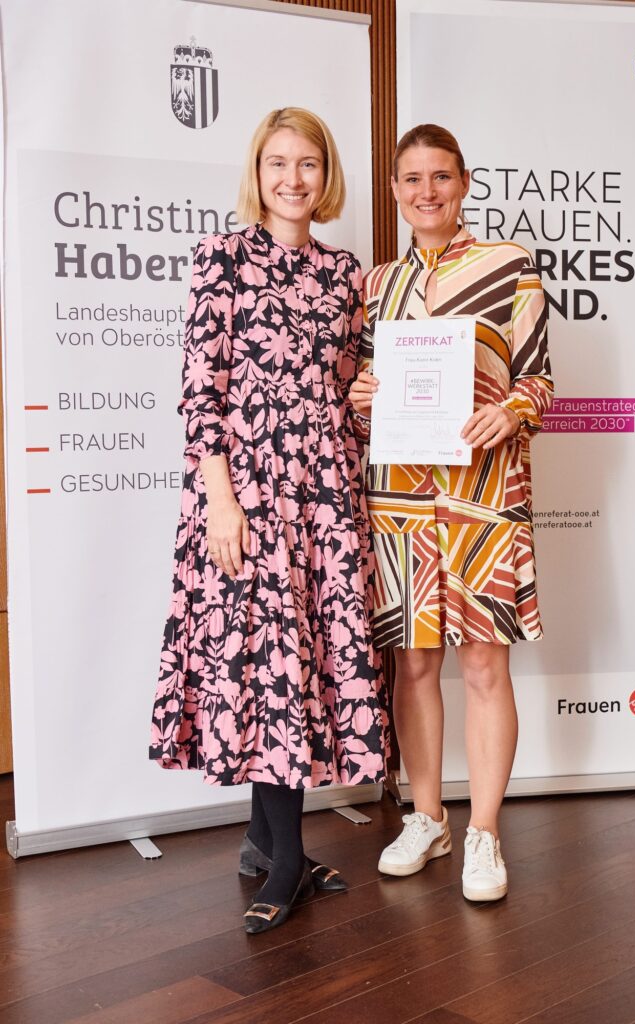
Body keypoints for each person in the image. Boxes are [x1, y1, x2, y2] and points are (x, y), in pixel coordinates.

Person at [150, 107, 387, 933]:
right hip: (246, 494)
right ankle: (285, 860)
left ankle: (262, 841)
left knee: (295, 659)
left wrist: (366, 396)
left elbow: (347, 393)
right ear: (257, 173)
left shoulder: (345, 273)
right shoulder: (221, 257)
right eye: (277, 162)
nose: (293, 178)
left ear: (327, 176)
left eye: (308, 163)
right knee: (267, 662)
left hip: (324, 493)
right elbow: (200, 391)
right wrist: (219, 499)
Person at [349, 124, 552, 902]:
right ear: (394, 191)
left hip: (482, 492)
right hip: (400, 497)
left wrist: (512, 410)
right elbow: (362, 387)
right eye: (411, 179)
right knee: (413, 662)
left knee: (483, 663)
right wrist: (359, 393)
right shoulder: (375, 287)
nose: (426, 191)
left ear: (463, 182)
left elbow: (538, 380)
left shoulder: (509, 267)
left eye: (439, 176)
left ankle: (484, 833)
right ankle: (427, 818)